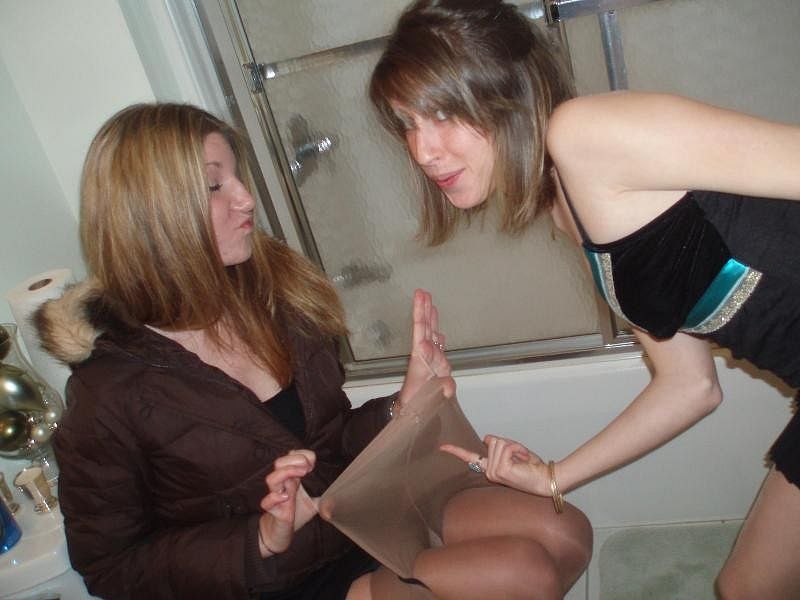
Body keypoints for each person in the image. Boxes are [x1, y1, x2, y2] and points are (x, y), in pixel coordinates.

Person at [34, 102, 591, 600]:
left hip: (356, 515)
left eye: (237, 176)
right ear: (150, 215)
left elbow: (329, 440)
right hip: (279, 579)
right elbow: (110, 568)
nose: (245, 198)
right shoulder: (108, 392)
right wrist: (260, 539)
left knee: (566, 531)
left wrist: (404, 403)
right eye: (214, 185)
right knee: (523, 575)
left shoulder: (273, 297)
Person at [369, 0, 800, 598]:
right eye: (408, 123)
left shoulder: (585, 133)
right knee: (747, 589)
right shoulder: (567, 205)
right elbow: (689, 386)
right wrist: (552, 477)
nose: (422, 150)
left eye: (442, 113)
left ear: (508, 92)